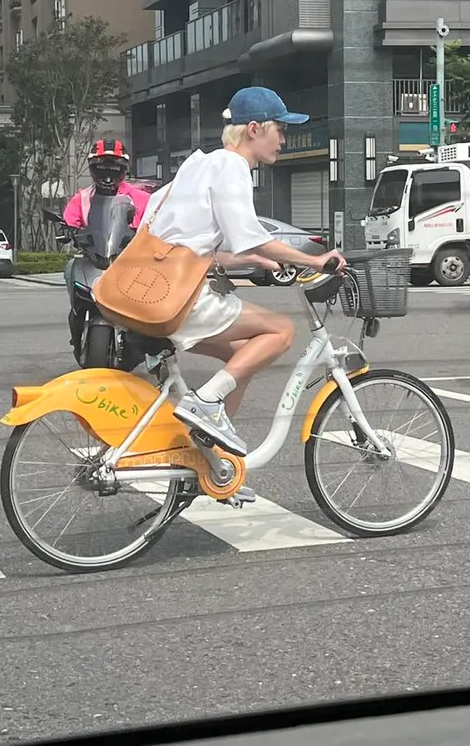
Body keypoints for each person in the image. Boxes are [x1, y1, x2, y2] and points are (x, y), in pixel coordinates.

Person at [139, 87, 346, 486]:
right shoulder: (234, 166)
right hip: (183, 299)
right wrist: (315, 260)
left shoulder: (198, 165)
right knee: (281, 330)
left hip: (155, 291)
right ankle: (205, 404)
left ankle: (209, 461)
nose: (283, 140)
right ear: (254, 129)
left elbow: (191, 241)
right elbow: (250, 236)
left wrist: (256, 260)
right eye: (280, 130)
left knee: (243, 360)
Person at [63, 139, 150, 229]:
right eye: (102, 167)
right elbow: (69, 223)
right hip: (92, 242)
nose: (108, 174)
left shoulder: (142, 199)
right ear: (93, 168)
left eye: (114, 168)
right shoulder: (81, 199)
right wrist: (66, 230)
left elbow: (155, 224)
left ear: (124, 169)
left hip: (132, 243)